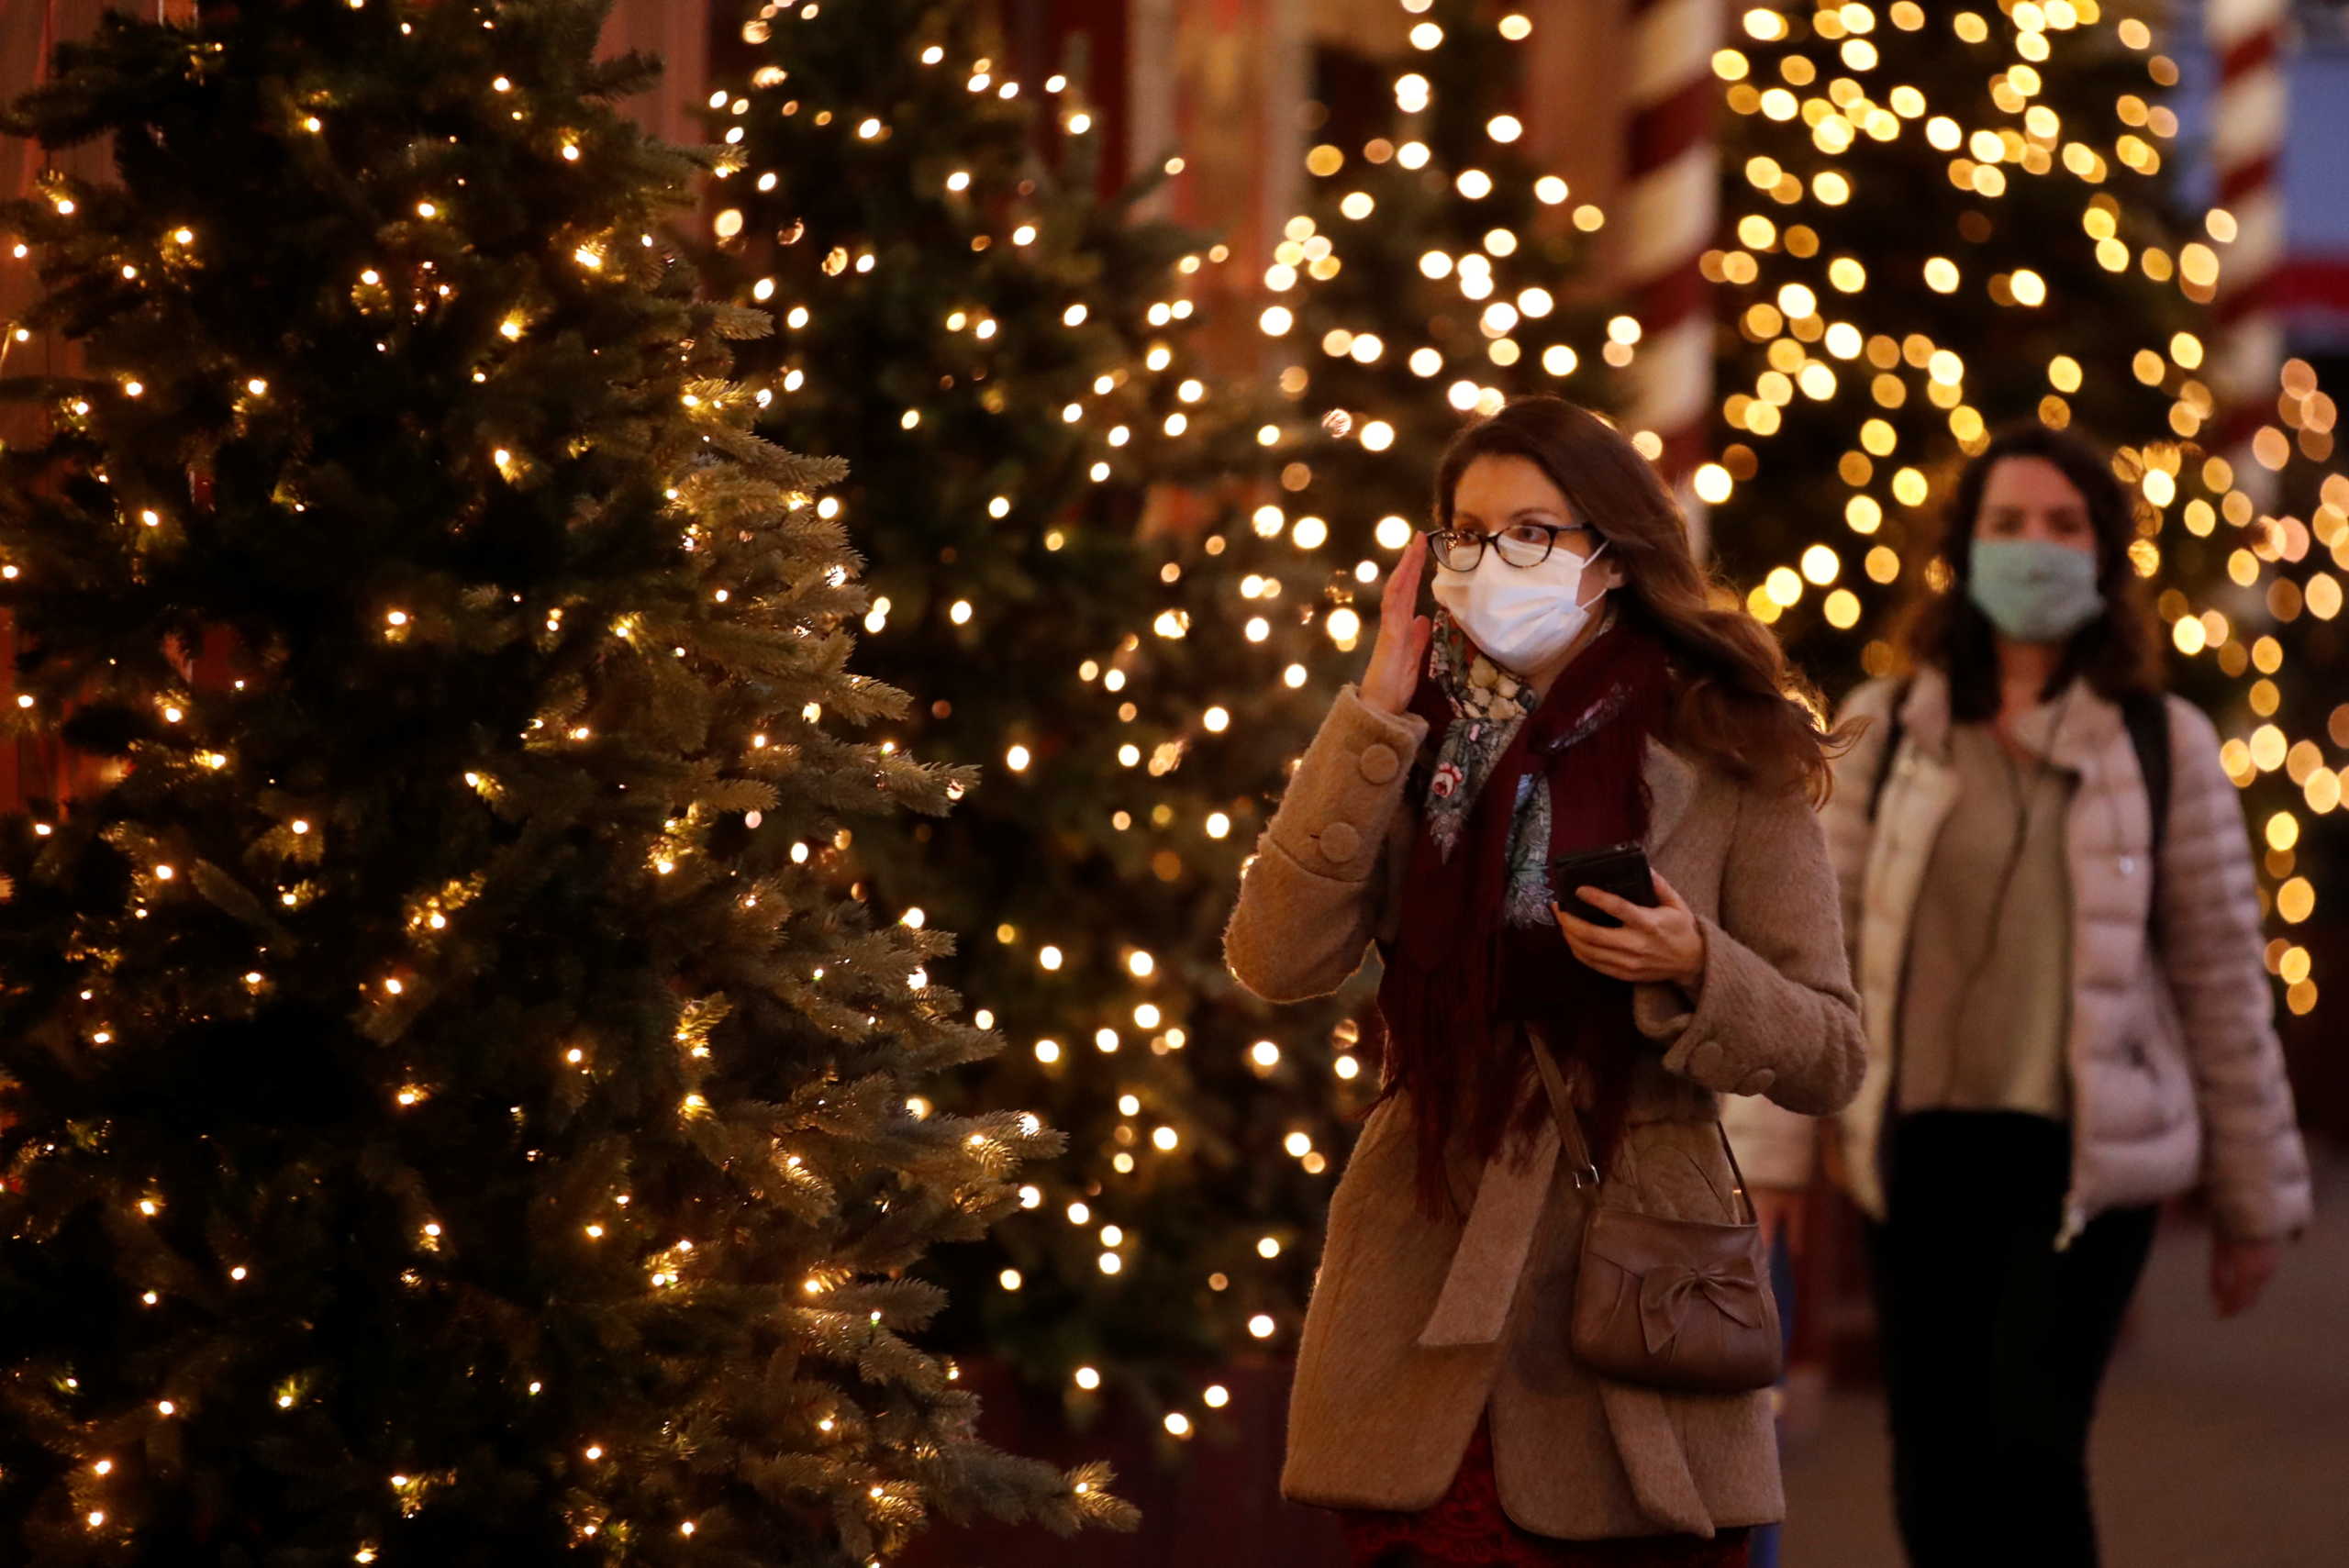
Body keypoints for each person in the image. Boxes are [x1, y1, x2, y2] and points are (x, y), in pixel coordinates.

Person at [1224, 395, 1866, 1566]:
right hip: (1423, 1269)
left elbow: (1830, 1050)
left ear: (1611, 557)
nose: (1487, 561)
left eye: (1530, 532)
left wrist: (1695, 965)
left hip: (1625, 1285)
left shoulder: (1728, 741)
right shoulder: (1412, 735)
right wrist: (1371, 709)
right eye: (1464, 534)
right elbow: (1275, 957)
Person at [1793, 423, 2312, 1567]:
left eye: (2063, 525)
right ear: (1964, 550)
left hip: (2082, 1163)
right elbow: (1807, 963)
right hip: (1913, 1151)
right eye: (2008, 524)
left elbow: (2225, 983)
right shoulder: (1882, 732)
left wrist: (2252, 1200)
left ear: (2105, 554)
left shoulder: (2162, 744)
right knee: (1932, 1463)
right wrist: (1776, 1162)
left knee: (2031, 1455)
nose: (2035, 547)